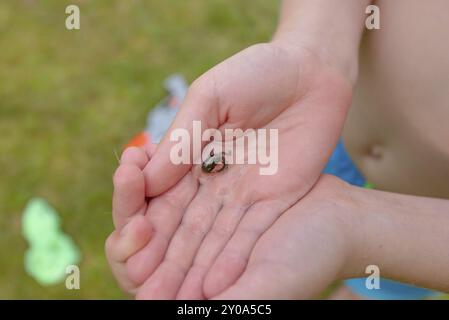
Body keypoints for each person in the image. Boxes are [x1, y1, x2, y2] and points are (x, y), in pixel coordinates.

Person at [105, 0, 449, 299]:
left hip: (419, 227)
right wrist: (312, 49)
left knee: (378, 291)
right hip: (316, 131)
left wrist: (359, 229)